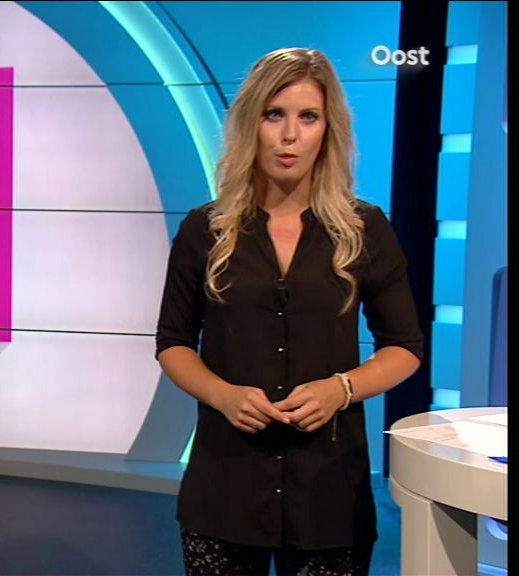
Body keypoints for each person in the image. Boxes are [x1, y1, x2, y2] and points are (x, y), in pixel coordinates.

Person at [155, 47, 425, 576]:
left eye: (308, 117)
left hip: (330, 491)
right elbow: (173, 343)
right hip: (225, 486)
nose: (289, 135)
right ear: (250, 125)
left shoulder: (365, 229)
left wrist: (340, 389)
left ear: (328, 129)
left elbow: (405, 348)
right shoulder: (204, 230)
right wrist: (223, 395)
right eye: (273, 115)